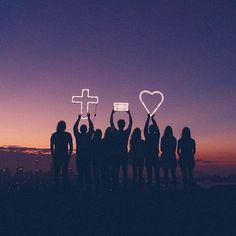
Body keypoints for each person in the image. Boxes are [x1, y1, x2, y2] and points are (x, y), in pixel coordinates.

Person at [110, 109, 133, 188]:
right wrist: (129, 114)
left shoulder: (115, 133)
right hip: (123, 154)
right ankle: (124, 186)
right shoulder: (125, 133)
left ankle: (115, 186)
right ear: (123, 125)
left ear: (118, 125)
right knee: (124, 171)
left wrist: (112, 113)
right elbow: (130, 124)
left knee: (116, 171)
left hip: (117, 154)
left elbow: (111, 123)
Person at [73, 113, 94, 190]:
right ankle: (87, 190)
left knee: (81, 175)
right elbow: (91, 128)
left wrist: (78, 118)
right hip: (87, 158)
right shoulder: (88, 136)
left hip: (80, 158)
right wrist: (89, 118)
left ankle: (81, 189)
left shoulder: (78, 137)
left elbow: (75, 128)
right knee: (87, 175)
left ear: (81, 130)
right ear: (86, 129)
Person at [50, 120, 73, 190]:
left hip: (58, 156)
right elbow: (71, 146)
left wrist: (53, 156)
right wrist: (69, 156)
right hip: (64, 157)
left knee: (57, 173)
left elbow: (51, 147)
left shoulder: (54, 135)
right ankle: (64, 188)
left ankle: (56, 188)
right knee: (63, 173)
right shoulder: (67, 135)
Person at [144, 113, 160, 188]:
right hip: (154, 156)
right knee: (156, 172)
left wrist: (148, 119)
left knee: (150, 172)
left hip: (149, 156)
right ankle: (157, 186)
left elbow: (145, 129)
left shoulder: (148, 136)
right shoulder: (156, 137)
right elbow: (157, 129)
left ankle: (151, 186)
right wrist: (152, 119)